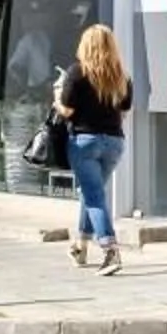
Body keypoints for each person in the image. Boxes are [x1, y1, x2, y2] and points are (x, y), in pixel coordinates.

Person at [57, 23, 131, 274]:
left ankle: (110, 251)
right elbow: (124, 112)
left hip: (84, 141)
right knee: (92, 194)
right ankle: (80, 246)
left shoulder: (77, 72)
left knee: (94, 196)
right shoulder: (121, 75)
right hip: (114, 143)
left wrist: (56, 96)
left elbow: (66, 111)